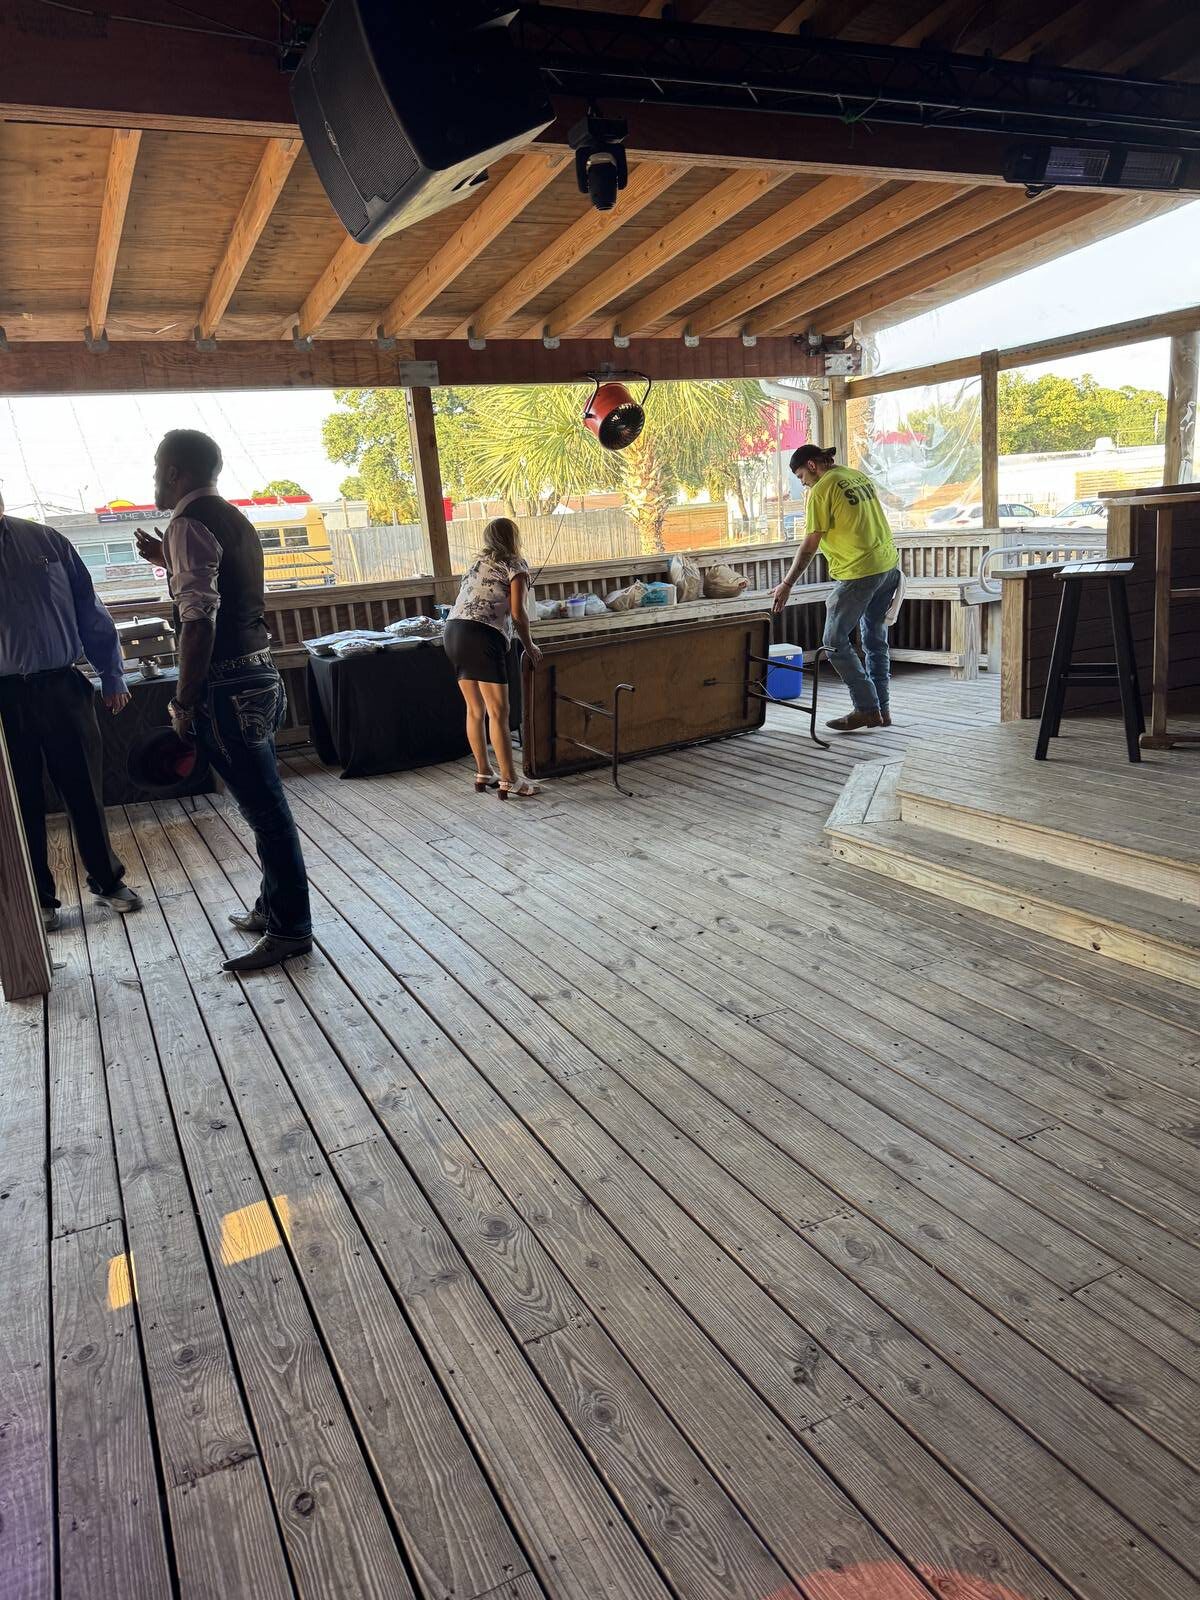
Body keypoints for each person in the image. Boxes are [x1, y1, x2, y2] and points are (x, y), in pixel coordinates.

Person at [134, 430, 312, 973]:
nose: (154, 479)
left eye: (159, 469)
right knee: (265, 806)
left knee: (266, 814)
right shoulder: (233, 519)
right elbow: (224, 587)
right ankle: (272, 905)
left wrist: (184, 704)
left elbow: (198, 622)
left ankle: (291, 931)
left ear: (177, 473)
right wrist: (168, 556)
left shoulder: (188, 524)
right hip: (259, 675)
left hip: (226, 688)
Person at [0, 490, 143, 929]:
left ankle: (107, 881)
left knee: (84, 789)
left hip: (62, 684)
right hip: (2, 696)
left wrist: (112, 673)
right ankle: (37, 898)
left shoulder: (48, 541)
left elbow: (89, 607)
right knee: (15, 802)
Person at [773, 445, 901, 732]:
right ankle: (883, 709)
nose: (802, 482)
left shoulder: (821, 490)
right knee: (875, 641)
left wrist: (787, 583)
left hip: (860, 571)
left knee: (832, 640)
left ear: (812, 465)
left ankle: (867, 708)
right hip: (888, 566)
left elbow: (810, 544)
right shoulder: (856, 475)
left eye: (800, 475)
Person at [443, 516, 544, 798]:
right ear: (513, 538)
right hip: (482, 635)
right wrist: (530, 645)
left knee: (475, 710)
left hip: (453, 632)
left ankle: (484, 772)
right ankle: (510, 780)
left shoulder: (475, 565)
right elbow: (518, 613)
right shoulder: (515, 565)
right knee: (499, 713)